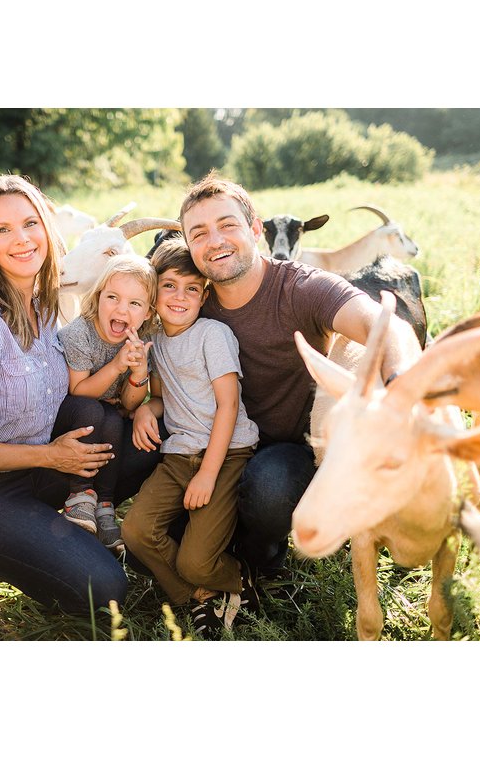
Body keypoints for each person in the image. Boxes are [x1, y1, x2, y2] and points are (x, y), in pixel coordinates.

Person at [0, 174, 158, 616]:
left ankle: (72, 521)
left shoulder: (44, 302)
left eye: (30, 223)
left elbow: (75, 394)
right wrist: (52, 457)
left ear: (47, 229)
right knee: (106, 589)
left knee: (153, 441)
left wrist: (143, 398)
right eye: (3, 229)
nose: (22, 239)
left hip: (47, 466)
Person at [173, 172, 422, 579]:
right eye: (198, 233)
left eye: (227, 225)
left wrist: (399, 383)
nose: (214, 241)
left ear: (256, 230)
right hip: (215, 440)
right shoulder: (188, 301)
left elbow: (384, 324)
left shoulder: (301, 288)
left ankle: (262, 559)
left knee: (269, 489)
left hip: (292, 445)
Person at [121, 237, 260, 637]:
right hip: (179, 455)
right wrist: (146, 409)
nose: (180, 297)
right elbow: (163, 397)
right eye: (169, 286)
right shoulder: (157, 340)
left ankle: (238, 576)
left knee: (195, 561)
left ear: (204, 296)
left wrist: (207, 475)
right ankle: (199, 595)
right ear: (154, 292)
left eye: (192, 289)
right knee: (135, 531)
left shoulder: (212, 334)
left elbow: (228, 406)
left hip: (227, 453)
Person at [57, 255, 158, 551]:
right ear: (98, 297)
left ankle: (104, 505)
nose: (121, 309)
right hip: (71, 413)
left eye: (134, 303)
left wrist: (138, 372)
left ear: (148, 313)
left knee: (114, 418)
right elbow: (78, 391)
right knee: (94, 410)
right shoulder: (79, 334)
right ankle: (79, 495)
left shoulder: (142, 338)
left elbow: (129, 404)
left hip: (106, 414)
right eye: (112, 297)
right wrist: (116, 366)